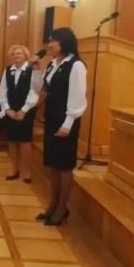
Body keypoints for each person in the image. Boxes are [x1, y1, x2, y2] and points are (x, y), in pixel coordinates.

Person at [33, 28, 87, 226]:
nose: (49, 45)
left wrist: (68, 123)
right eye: (49, 41)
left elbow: (78, 96)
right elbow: (40, 89)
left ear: (64, 42)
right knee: (53, 164)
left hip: (66, 121)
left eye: (52, 41)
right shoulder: (53, 64)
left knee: (64, 165)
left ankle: (63, 207)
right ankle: (53, 204)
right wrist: (37, 70)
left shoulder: (76, 65)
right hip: (52, 118)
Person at [0, 45, 39, 184]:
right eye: (14, 54)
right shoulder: (8, 70)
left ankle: (26, 171)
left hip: (26, 110)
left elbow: (35, 91)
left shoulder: (32, 69)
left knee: (25, 141)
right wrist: (7, 109)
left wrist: (24, 110)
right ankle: (14, 169)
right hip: (10, 110)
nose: (16, 56)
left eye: (19, 53)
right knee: (11, 140)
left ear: (25, 55)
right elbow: (2, 91)